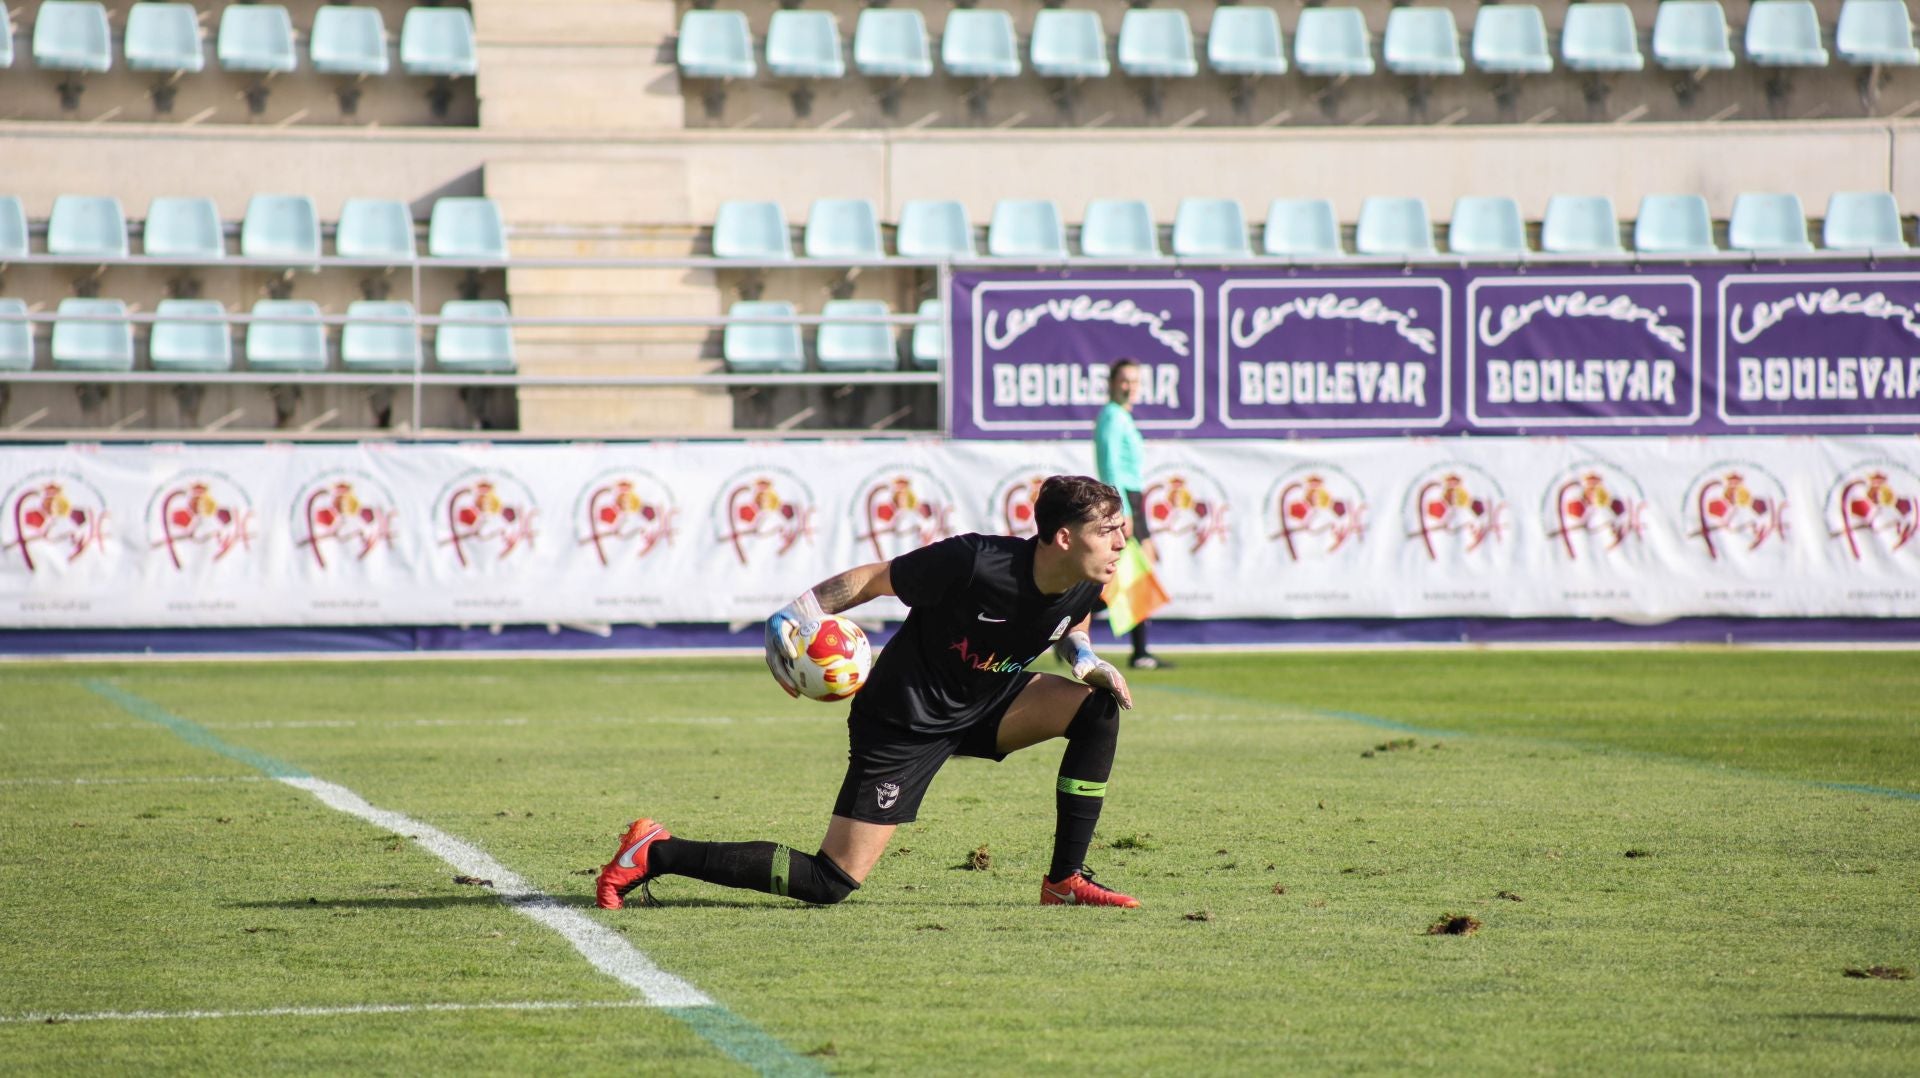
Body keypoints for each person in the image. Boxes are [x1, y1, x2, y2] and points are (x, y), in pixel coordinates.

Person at [594, 475, 1143, 910]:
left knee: (1098, 710)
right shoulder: (975, 562)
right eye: (1108, 531)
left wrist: (1085, 659)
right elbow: (874, 579)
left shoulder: (1089, 578)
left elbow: (1070, 627)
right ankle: (657, 851)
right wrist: (798, 612)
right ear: (1065, 537)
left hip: (989, 703)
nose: (1122, 541)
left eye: (1120, 529)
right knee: (829, 881)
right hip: (904, 721)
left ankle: (1065, 880)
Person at [1094, 358, 1172, 670]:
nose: (1130, 387)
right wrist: (1121, 511)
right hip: (1125, 500)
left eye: (1135, 381)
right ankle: (1139, 652)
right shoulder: (1113, 417)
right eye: (1125, 380)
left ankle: (1139, 651)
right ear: (1112, 384)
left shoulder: (1121, 417)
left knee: (1131, 574)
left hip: (1132, 500)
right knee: (1130, 573)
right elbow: (1111, 465)